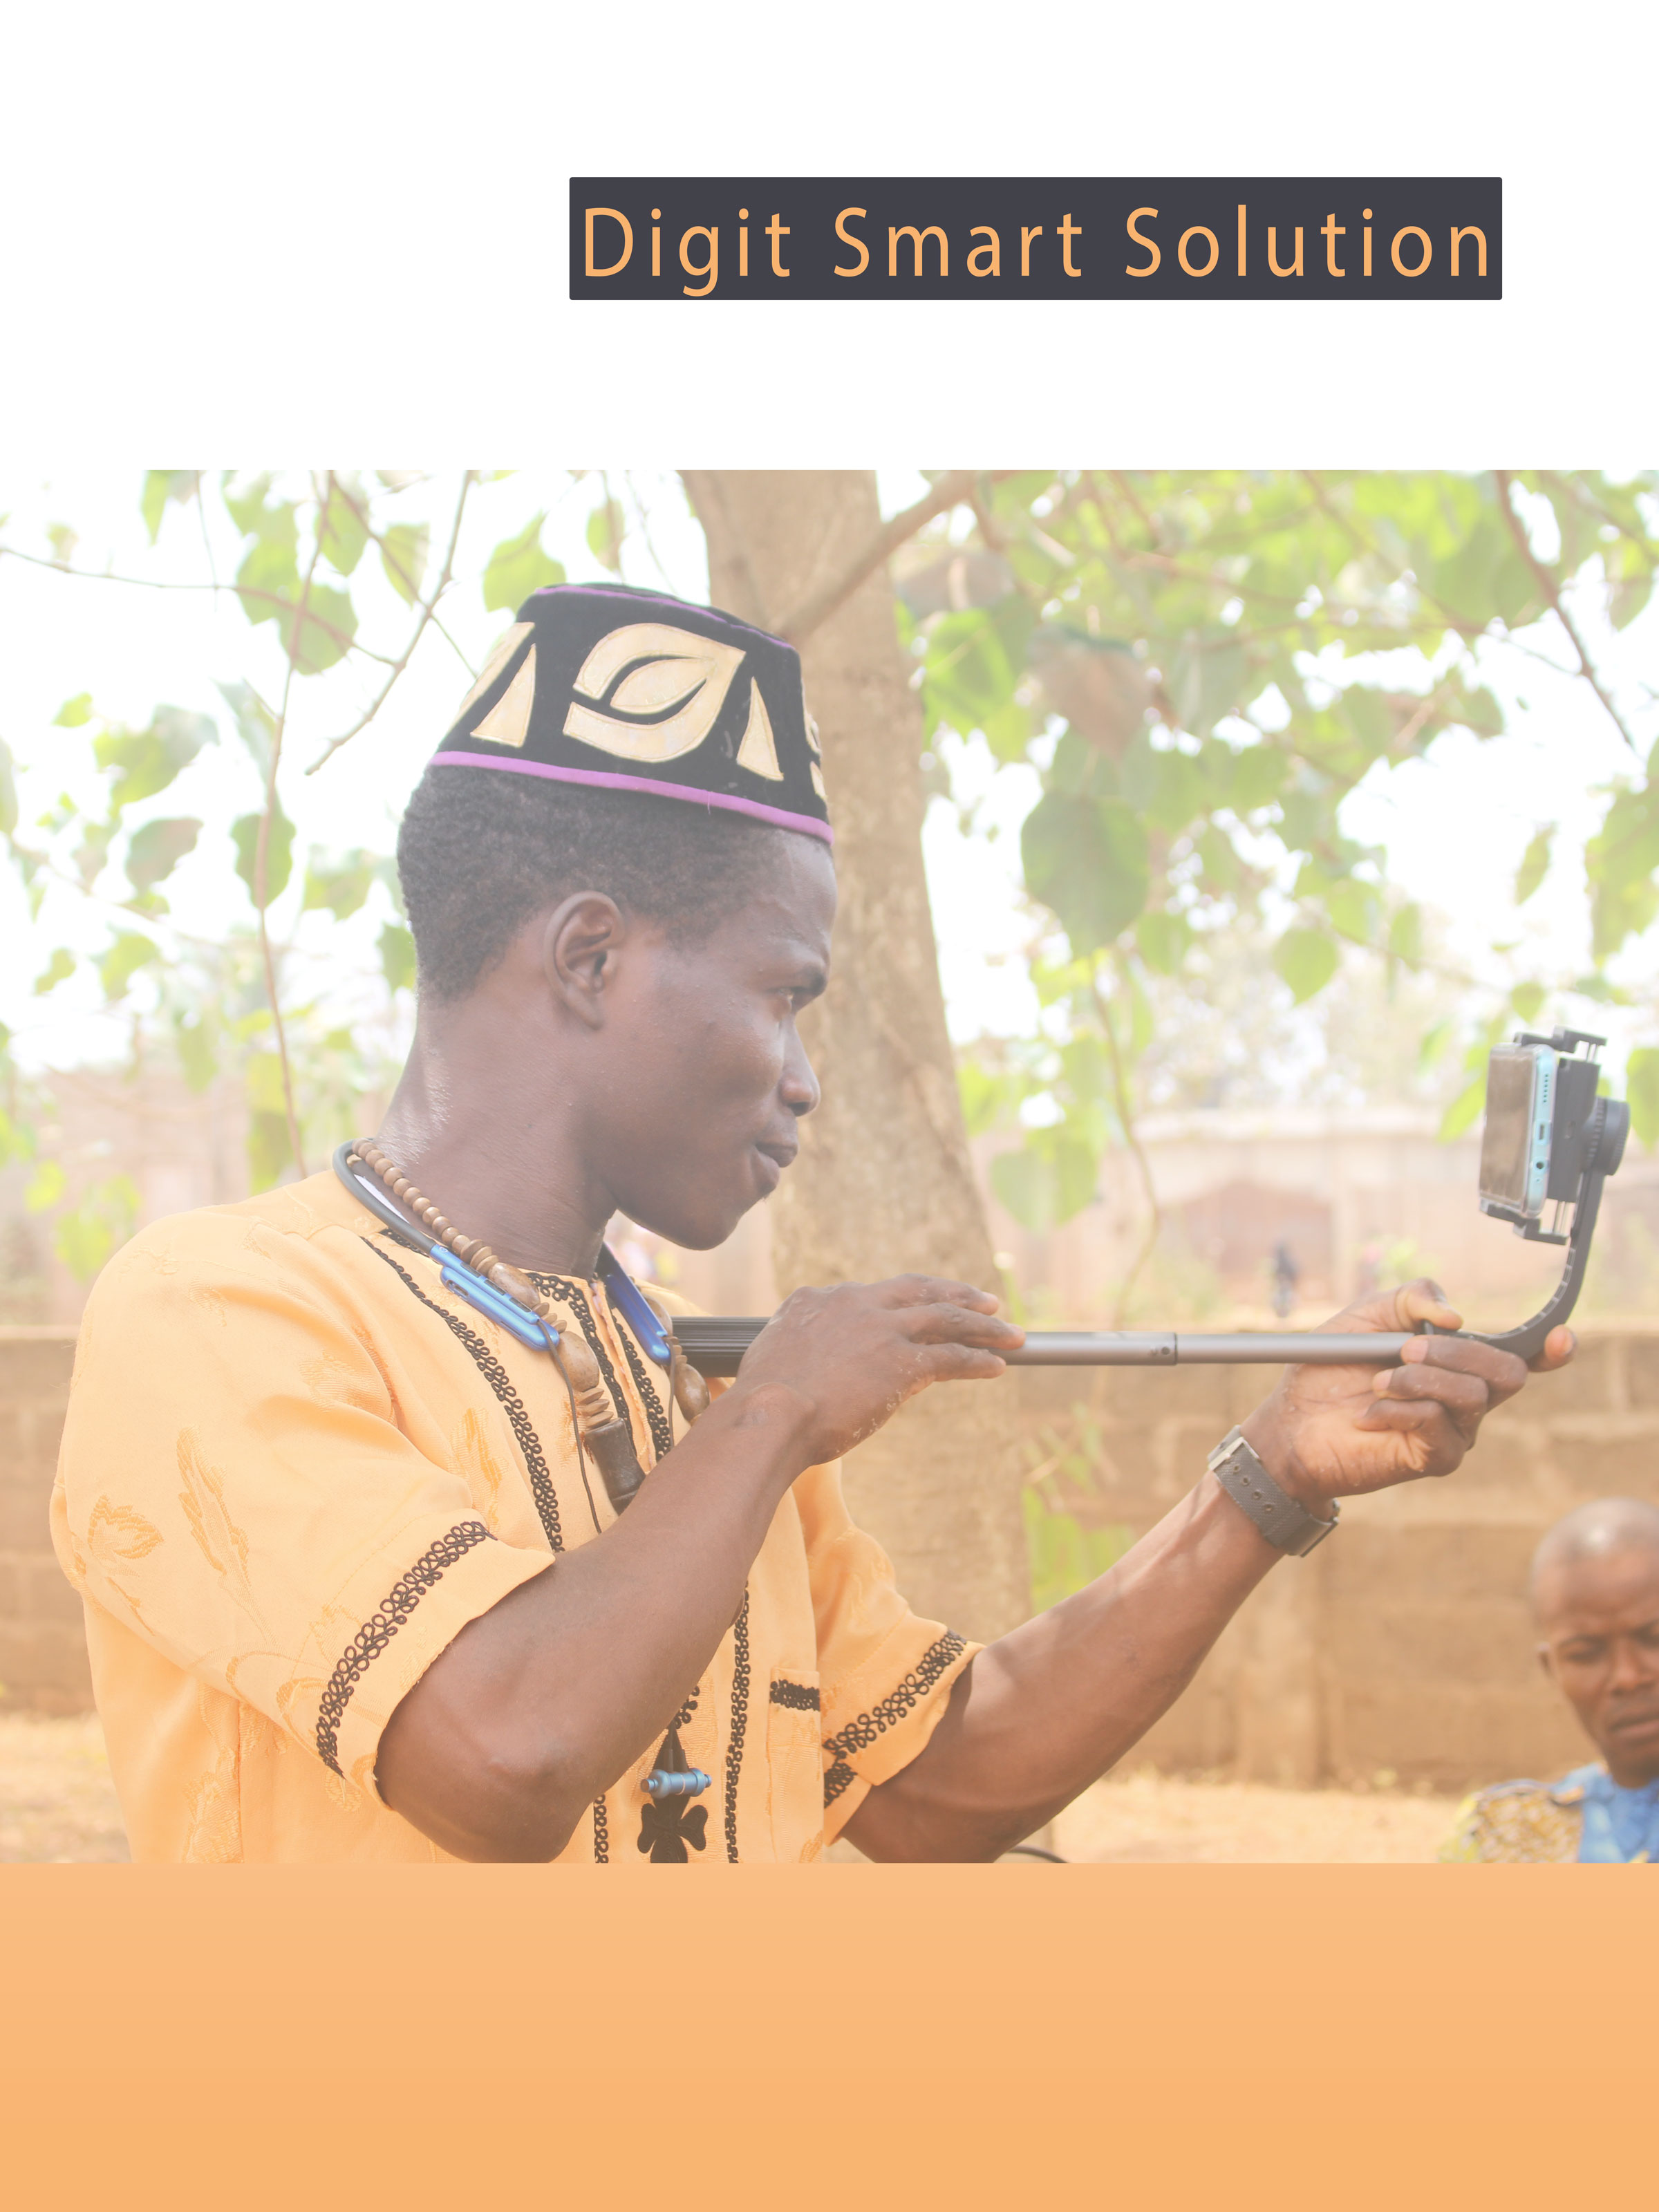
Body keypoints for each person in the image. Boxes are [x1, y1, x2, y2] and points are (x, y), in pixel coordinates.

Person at [52, 581, 1572, 1864]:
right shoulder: (216, 1310)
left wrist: (1268, 1478)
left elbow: (936, 1776)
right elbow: (502, 1750)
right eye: (783, 993)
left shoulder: (677, 1384)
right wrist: (775, 1414)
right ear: (590, 958)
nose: (802, 1076)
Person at [1441, 1498, 1659, 1862]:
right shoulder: (1505, 1839)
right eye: (1585, 1654)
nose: (1628, 1677)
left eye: (1654, 1638)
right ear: (1551, 1668)